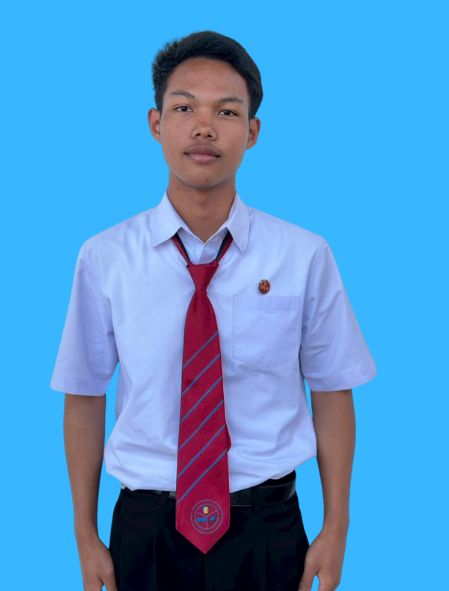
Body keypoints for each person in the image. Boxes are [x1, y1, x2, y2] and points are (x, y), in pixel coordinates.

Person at [50, 30, 377, 591]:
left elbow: (331, 390)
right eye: (185, 108)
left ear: (252, 132)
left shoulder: (303, 255)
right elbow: (83, 392)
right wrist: (84, 532)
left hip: (268, 527)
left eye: (226, 111)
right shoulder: (105, 257)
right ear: (156, 123)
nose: (204, 127)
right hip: (146, 529)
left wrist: (336, 527)